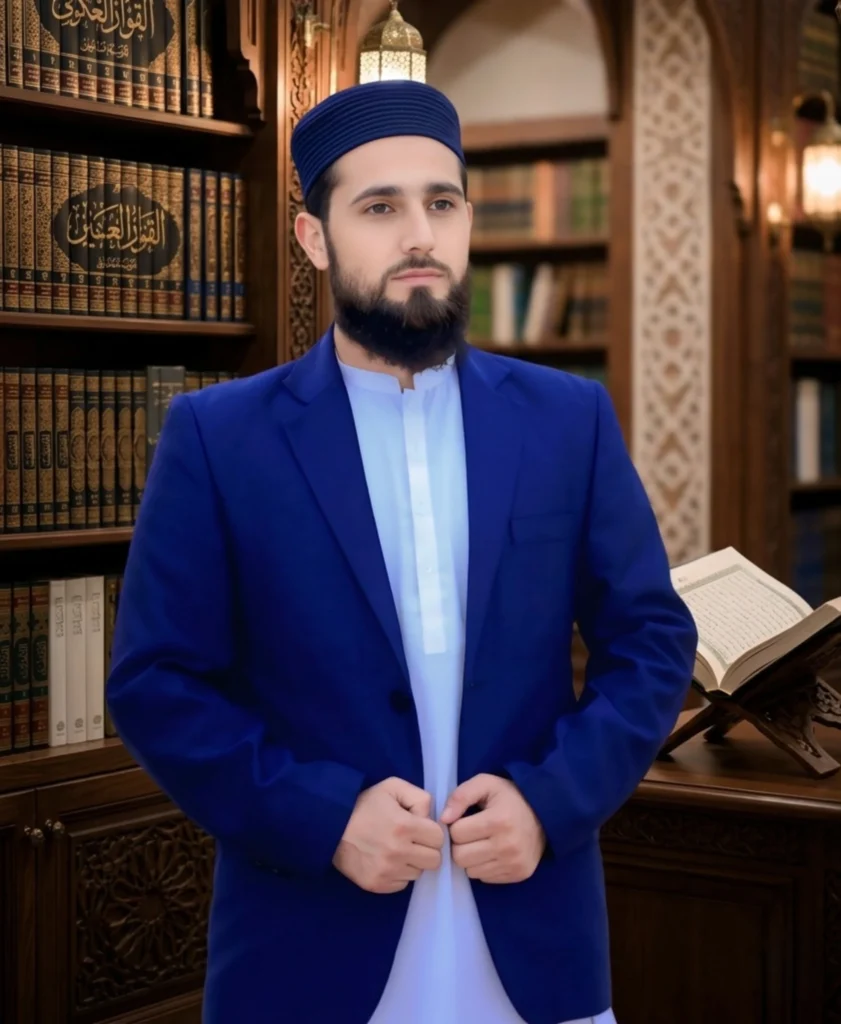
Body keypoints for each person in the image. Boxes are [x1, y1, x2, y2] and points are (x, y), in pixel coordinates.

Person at [106, 80, 698, 1024]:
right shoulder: (219, 438)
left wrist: (549, 801)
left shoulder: (565, 419)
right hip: (308, 941)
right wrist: (323, 818)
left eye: (441, 202)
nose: (418, 234)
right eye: (379, 208)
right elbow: (156, 682)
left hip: (531, 933)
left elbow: (650, 639)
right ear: (315, 238)